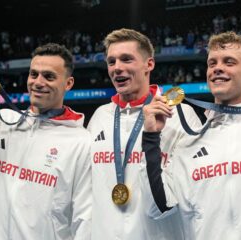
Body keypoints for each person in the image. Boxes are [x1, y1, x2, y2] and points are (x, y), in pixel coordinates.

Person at [142, 31, 241, 240]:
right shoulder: (189, 143)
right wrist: (151, 137)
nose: (217, 68)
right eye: (212, 63)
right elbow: (158, 207)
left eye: (229, 62)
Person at [87, 28, 201, 240]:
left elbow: (188, 196)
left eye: (126, 59)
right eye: (111, 62)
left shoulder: (180, 116)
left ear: (149, 64)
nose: (117, 68)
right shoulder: (99, 117)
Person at [0, 43, 91, 239]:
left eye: (49, 76)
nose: (38, 82)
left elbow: (85, 219)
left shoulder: (82, 143)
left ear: (68, 83)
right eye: (34, 74)